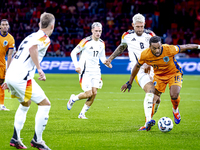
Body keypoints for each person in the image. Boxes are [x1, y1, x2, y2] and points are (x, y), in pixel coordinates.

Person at [121, 36, 200, 129]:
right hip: (159, 77)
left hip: (174, 73)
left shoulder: (169, 49)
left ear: (161, 45)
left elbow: (186, 46)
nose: (157, 50)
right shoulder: (145, 54)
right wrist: (130, 82)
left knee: (174, 96)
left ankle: (175, 110)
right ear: (150, 47)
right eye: (154, 48)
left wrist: (198, 46)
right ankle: (147, 123)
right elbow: (137, 66)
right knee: (153, 99)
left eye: (159, 47)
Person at [2, 12, 55, 150]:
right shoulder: (44, 38)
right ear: (52, 26)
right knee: (45, 104)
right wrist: (39, 69)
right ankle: (38, 140)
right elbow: (33, 49)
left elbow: (18, 53)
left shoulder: (30, 35)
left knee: (26, 103)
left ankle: (16, 138)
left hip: (12, 73)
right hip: (21, 77)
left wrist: (8, 78)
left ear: (39, 24)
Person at [104, 13, 160, 131]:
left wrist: (151, 64)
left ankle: (149, 118)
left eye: (141, 26)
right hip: (138, 70)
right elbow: (122, 47)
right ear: (132, 25)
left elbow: (157, 51)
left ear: (144, 24)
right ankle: (147, 123)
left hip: (153, 68)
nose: (140, 29)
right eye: (137, 27)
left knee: (157, 98)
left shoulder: (150, 34)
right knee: (150, 91)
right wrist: (110, 59)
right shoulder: (126, 36)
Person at [67, 22, 112, 119]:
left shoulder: (101, 43)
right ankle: (73, 99)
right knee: (88, 93)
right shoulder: (85, 41)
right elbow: (73, 52)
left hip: (96, 71)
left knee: (94, 93)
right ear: (92, 31)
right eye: (96, 31)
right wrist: (77, 66)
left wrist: (107, 63)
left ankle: (82, 114)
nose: (98, 33)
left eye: (100, 31)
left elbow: (102, 57)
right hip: (85, 71)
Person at [0, 19, 15, 111]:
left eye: (6, 24)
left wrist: (8, 69)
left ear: (8, 26)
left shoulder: (10, 39)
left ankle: (1, 105)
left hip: (1, 64)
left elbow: (9, 55)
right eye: (3, 24)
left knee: (1, 84)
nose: (5, 26)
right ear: (0, 26)